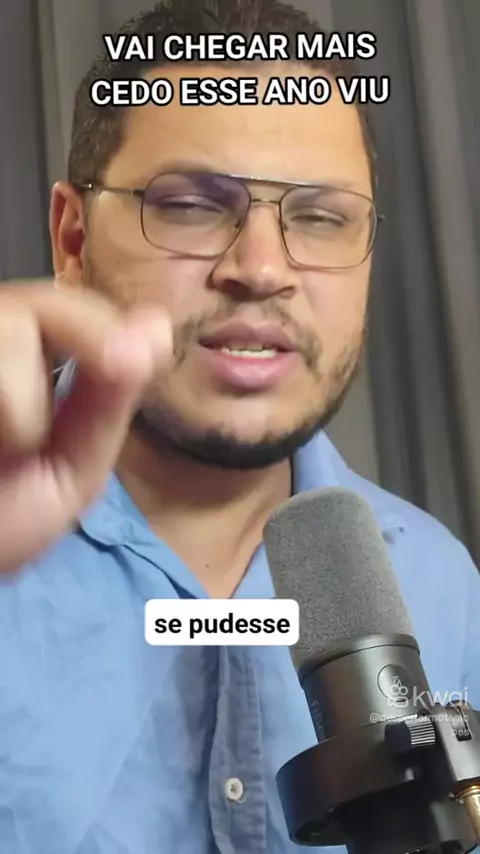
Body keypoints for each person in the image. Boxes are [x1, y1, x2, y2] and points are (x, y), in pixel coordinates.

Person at [0, 1, 478, 852]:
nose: (260, 269)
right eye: (189, 205)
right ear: (72, 237)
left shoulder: (446, 586)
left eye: (321, 216)